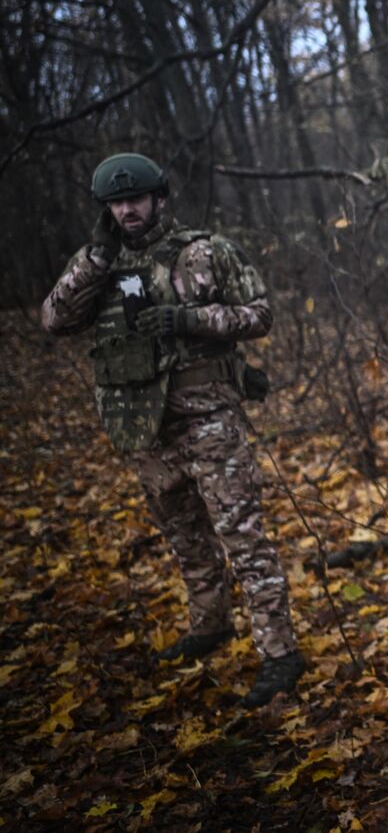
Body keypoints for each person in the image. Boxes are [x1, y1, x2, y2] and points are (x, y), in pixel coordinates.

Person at [42, 152, 304, 707]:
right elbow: (55, 319)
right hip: (145, 427)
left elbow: (259, 314)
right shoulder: (100, 264)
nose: (127, 209)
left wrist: (192, 319)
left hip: (209, 419)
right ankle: (210, 626)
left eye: (136, 198)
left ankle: (281, 654)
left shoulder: (205, 251)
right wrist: (94, 259)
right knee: (186, 540)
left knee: (243, 540)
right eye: (116, 202)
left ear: (159, 198)